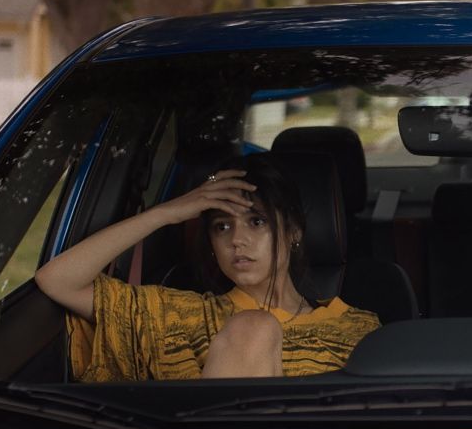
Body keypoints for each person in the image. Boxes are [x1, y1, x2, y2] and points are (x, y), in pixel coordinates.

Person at [35, 153, 380, 381]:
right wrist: (166, 213)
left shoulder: (358, 329)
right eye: (221, 226)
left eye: (256, 221)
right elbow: (57, 280)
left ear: (293, 231)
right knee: (253, 325)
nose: (237, 241)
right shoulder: (177, 317)